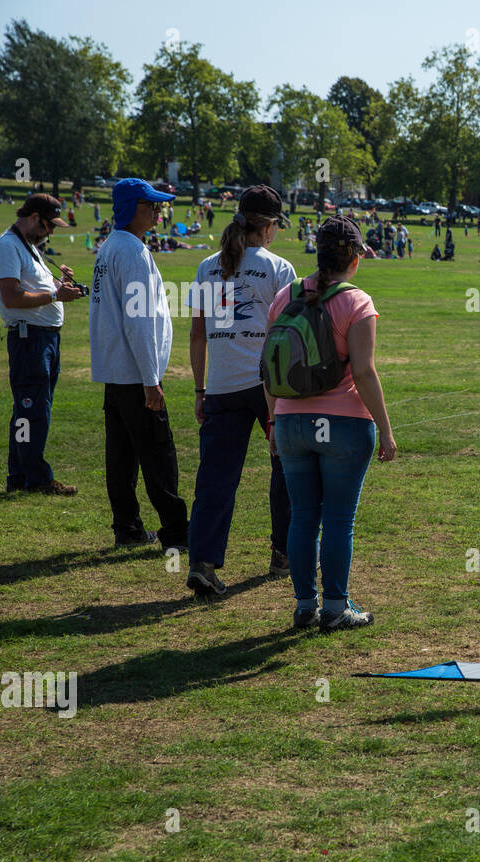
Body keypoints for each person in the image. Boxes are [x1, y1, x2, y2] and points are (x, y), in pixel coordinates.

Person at [265, 216, 396, 629]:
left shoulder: (284, 296)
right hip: (344, 422)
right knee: (339, 518)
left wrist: (273, 422)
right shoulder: (357, 301)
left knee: (303, 515)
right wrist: (386, 429)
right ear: (355, 259)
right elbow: (364, 372)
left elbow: (267, 368)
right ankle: (336, 608)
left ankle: (305, 605)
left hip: (290, 421)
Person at [184, 185, 296, 596]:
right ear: (267, 227)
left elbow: (198, 335)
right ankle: (282, 554)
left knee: (214, 478)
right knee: (284, 467)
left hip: (221, 388)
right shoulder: (280, 269)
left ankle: (203, 563)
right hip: (268, 386)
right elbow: (287, 338)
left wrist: (200, 389)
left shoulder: (206, 267)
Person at [88, 179, 189, 549]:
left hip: (116, 372)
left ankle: (127, 528)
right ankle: (177, 534)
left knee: (122, 456)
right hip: (135, 374)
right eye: (152, 205)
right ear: (132, 207)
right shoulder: (131, 251)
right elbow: (139, 319)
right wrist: (150, 379)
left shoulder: (110, 246)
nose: (159, 212)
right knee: (158, 453)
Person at [0, 193, 85, 495]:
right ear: (34, 218)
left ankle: (19, 475)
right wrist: (56, 296)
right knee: (33, 409)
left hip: (43, 337)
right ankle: (37, 478)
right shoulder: (8, 246)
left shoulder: (28, 245)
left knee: (27, 409)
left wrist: (58, 285)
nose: (51, 233)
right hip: (29, 338)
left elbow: (33, 287)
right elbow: (12, 296)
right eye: (49, 226)